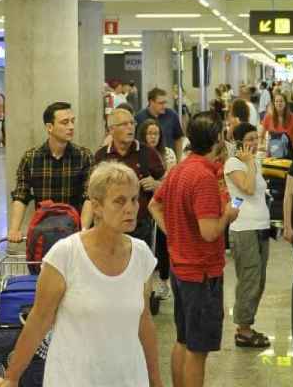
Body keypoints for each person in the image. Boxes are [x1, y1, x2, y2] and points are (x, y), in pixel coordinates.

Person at [3, 162, 162, 387]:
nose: (130, 208)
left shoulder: (142, 255)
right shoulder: (65, 254)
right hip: (73, 378)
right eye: (119, 201)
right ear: (96, 207)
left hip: (128, 377)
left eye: (134, 199)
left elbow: (144, 322)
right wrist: (11, 377)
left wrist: (155, 380)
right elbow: (39, 320)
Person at [148, 113, 240, 387]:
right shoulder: (204, 178)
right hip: (202, 272)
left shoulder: (179, 170)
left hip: (180, 267)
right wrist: (229, 216)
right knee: (197, 351)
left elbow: (154, 205)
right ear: (216, 140)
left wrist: (174, 232)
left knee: (183, 339)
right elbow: (210, 231)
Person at [95, 109, 166, 290]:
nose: (130, 128)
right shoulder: (102, 156)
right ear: (112, 129)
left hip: (140, 223)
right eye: (124, 124)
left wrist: (157, 184)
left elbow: (166, 182)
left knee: (137, 270)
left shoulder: (147, 152)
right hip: (109, 224)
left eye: (132, 123)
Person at [8, 102, 95, 243]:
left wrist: (83, 230)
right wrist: (14, 229)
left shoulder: (84, 156)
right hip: (44, 231)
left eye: (73, 121)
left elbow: (89, 196)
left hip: (74, 230)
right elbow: (20, 195)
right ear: (49, 127)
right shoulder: (31, 158)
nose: (71, 127)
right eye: (65, 122)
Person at [224, 123, 273, 349]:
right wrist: (250, 162)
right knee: (249, 279)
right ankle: (243, 330)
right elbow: (248, 189)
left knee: (259, 280)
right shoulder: (234, 163)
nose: (254, 142)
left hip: (260, 226)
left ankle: (247, 325)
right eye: (249, 139)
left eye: (256, 138)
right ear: (239, 142)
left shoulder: (252, 162)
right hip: (244, 228)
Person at [138, 117, 177, 297]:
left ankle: (163, 281)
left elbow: (171, 182)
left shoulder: (167, 153)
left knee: (162, 244)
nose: (153, 137)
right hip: (143, 203)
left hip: (163, 204)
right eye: (149, 134)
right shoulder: (138, 153)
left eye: (156, 134)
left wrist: (156, 184)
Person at [135, 88, 186, 156]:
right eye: (161, 103)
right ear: (151, 102)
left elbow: (178, 139)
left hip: (168, 158)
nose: (164, 106)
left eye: (165, 103)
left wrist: (179, 160)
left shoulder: (172, 115)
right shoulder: (139, 118)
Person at [261, 91, 293, 159]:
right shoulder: (268, 117)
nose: (279, 103)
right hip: (272, 154)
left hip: (288, 153)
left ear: (285, 103)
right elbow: (262, 136)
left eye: (281, 101)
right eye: (276, 101)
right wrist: (265, 149)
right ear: (274, 103)